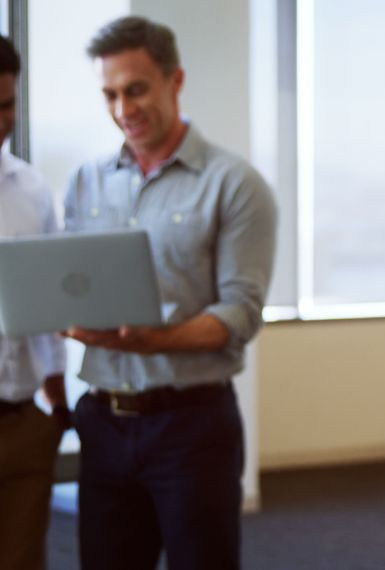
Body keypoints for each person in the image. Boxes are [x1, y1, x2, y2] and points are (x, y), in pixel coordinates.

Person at [63, 16, 277, 570]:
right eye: (109, 94)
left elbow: (240, 314)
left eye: (136, 89)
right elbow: (72, 282)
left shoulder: (234, 183)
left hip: (192, 427)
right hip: (103, 421)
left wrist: (151, 341)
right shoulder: (86, 181)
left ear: (174, 80)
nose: (122, 108)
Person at [0, 33, 69, 570]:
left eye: (5, 105)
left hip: (24, 421)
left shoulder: (32, 190)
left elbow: (49, 302)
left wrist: (57, 393)